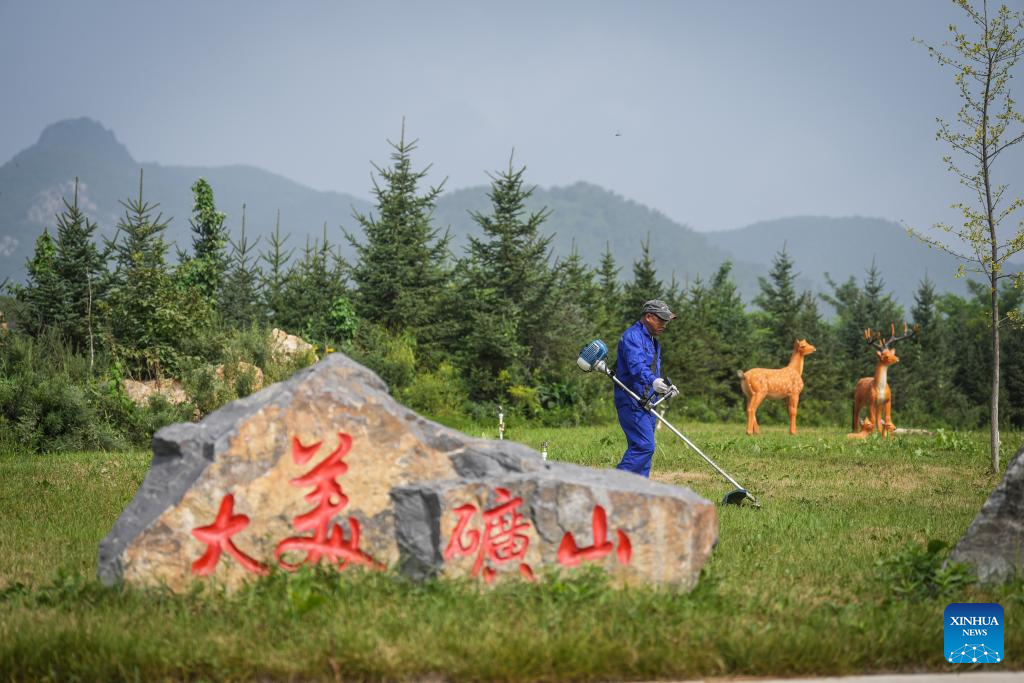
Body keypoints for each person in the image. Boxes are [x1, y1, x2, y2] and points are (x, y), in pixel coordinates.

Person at [614, 299, 676, 477]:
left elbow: (652, 371)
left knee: (643, 449)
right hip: (632, 400)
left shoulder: (653, 341)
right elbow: (637, 367)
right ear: (649, 317)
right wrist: (653, 381)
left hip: (648, 401)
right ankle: (611, 486)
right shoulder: (632, 337)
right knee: (644, 446)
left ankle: (638, 491)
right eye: (662, 320)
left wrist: (664, 386)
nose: (665, 324)